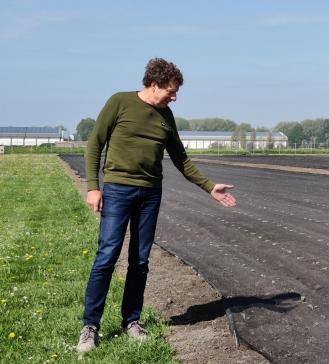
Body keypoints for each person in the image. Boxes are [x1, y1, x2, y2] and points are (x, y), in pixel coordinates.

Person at [77, 58, 236, 353]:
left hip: (150, 195)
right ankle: (90, 326)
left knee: (140, 260)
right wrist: (92, 187)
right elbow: (94, 145)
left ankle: (132, 321)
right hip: (118, 190)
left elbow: (181, 159)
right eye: (171, 91)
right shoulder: (120, 102)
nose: (174, 97)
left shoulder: (167, 116)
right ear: (154, 84)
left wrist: (209, 187)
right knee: (107, 255)